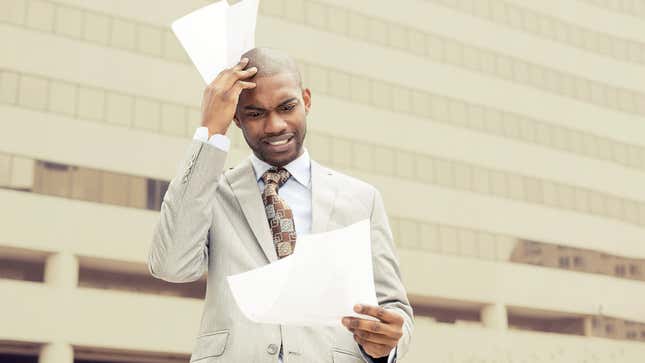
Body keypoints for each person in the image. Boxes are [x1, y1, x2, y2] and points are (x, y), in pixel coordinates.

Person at [147, 48, 413, 363]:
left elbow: (393, 308)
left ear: (307, 100)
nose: (274, 126)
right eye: (255, 113)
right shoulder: (210, 193)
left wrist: (388, 343)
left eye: (287, 107)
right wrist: (209, 131)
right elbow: (170, 265)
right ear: (235, 117)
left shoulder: (361, 199)